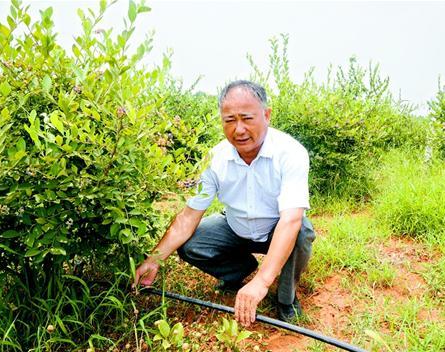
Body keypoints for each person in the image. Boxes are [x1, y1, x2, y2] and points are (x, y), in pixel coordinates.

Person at [133, 80, 315, 327]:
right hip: (235, 228)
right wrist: (154, 259)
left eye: (247, 118)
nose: (239, 129)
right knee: (191, 243)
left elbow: (291, 220)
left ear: (267, 115)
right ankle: (238, 272)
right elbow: (188, 217)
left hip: (277, 228)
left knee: (302, 231)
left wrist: (262, 282)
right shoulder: (214, 158)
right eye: (230, 120)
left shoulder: (291, 153)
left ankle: (286, 298)